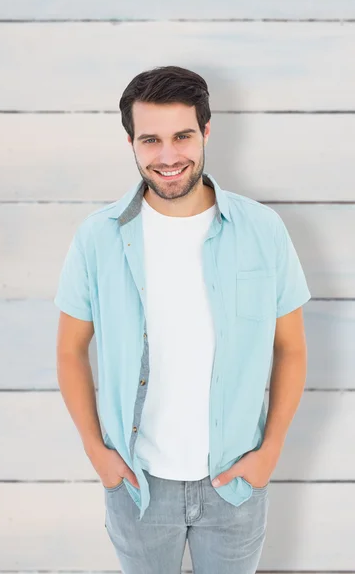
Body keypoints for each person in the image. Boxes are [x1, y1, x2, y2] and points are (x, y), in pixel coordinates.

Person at [54, 65, 311, 573]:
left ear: (207, 132)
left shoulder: (262, 229)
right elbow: (69, 349)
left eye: (182, 136)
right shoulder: (97, 237)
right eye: (150, 139)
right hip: (137, 486)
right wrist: (96, 452)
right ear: (130, 141)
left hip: (236, 486)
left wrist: (270, 451)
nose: (168, 156)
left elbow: (293, 348)